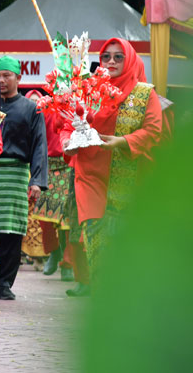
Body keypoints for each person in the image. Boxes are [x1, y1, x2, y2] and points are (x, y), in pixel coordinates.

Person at [72, 38, 162, 280]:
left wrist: (121, 142)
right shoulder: (88, 89)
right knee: (96, 237)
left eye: (118, 57)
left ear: (129, 59)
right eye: (106, 57)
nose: (111, 61)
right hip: (90, 176)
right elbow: (67, 122)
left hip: (128, 180)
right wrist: (67, 144)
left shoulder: (144, 93)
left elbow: (154, 131)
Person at [0, 56, 48, 300]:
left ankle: (5, 283)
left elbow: (39, 144)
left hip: (17, 173)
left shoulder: (31, 109)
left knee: (11, 231)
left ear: (18, 78)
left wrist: (37, 180)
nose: (1, 80)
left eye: (6, 75)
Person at [26, 89, 75, 281]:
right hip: (48, 166)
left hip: (70, 166)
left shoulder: (77, 105)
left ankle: (68, 264)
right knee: (46, 219)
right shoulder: (46, 107)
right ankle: (54, 252)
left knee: (68, 221)